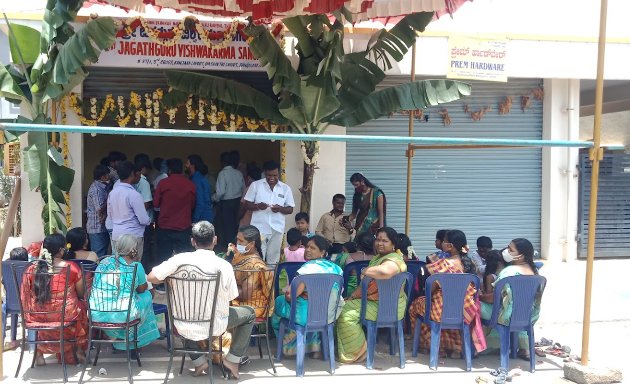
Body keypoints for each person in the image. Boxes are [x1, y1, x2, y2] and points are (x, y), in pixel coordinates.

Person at [148, 221, 255, 379]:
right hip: (215, 325)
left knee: (186, 319)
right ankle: (232, 360)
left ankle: (199, 361)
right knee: (250, 313)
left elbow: (152, 278)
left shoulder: (178, 260)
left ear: (192, 241)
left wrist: (171, 278)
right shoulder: (223, 265)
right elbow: (232, 296)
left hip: (182, 324)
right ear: (215, 240)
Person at [408, 229, 485, 357]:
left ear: (449, 246)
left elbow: (430, 290)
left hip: (441, 311)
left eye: (443, 241)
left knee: (416, 305)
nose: (442, 243)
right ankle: (455, 347)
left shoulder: (442, 265)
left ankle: (431, 346)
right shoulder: (469, 264)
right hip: (465, 311)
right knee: (445, 307)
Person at [336, 227, 407, 363]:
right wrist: (350, 297)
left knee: (343, 312)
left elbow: (386, 272)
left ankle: (358, 353)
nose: (380, 243)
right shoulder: (378, 258)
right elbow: (365, 286)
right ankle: (345, 348)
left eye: (385, 241)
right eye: (378, 240)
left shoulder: (395, 259)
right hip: (377, 303)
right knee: (339, 305)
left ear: (393, 245)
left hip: (388, 307)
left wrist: (365, 270)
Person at [20, 234, 88, 366]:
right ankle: (79, 350)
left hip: (38, 316)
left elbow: (26, 294)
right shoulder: (71, 267)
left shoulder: (32, 269)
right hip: (65, 315)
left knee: (60, 309)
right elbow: (81, 293)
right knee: (82, 307)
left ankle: (39, 354)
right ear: (61, 250)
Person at [272, 235, 343, 357]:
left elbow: (291, 295)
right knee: (310, 305)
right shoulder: (337, 269)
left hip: (305, 316)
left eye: (313, 248)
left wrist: (288, 294)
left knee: (279, 302)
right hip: (328, 315)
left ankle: (288, 347)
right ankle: (315, 347)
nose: (308, 250)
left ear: (322, 252)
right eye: (307, 247)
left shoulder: (306, 269)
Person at [90, 235, 160, 352]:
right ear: (134, 250)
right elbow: (142, 289)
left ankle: (117, 338)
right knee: (147, 296)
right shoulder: (136, 266)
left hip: (96, 313)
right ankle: (133, 343)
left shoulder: (104, 262)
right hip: (123, 315)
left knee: (128, 299)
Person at [480, 238, 541, 360]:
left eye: (510, 249)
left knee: (472, 305)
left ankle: (477, 346)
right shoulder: (535, 272)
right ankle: (523, 348)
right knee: (517, 308)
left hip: (505, 317)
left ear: (520, 256)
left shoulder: (508, 272)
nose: (506, 251)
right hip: (527, 316)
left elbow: (494, 298)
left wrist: (480, 297)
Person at [243, 160, 295, 265]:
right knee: (257, 257)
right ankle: (258, 280)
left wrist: (280, 208)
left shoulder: (285, 189)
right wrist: (257, 206)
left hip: (277, 228)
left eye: (275, 175)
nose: (272, 178)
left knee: (273, 259)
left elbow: (290, 209)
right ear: (264, 173)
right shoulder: (255, 185)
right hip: (259, 228)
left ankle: (271, 280)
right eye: (269, 175)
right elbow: (246, 204)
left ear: (279, 173)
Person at [154, 158, 196, 264]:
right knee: (184, 260)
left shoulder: (163, 183)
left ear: (169, 170)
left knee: (163, 259)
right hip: (183, 227)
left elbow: (156, 204)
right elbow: (193, 205)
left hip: (165, 227)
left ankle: (162, 280)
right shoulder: (190, 184)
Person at [107, 161, 150, 260]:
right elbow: (143, 219)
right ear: (132, 174)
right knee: (132, 267)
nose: (139, 175)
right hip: (132, 237)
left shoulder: (112, 193)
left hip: (116, 235)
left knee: (118, 266)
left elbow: (110, 216)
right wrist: (148, 221)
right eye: (138, 173)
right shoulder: (134, 195)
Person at [229, 225, 272, 318]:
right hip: (237, 301)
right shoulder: (240, 255)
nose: (237, 243)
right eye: (237, 240)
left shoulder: (254, 265)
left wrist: (225, 288)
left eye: (241, 241)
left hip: (251, 306)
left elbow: (245, 295)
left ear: (252, 244)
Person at [215, 151, 245, 248]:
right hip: (238, 203)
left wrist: (213, 198)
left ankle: (229, 250)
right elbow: (243, 189)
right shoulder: (239, 173)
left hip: (226, 204)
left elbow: (220, 192)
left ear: (222, 162)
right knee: (236, 226)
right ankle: (237, 248)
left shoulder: (222, 174)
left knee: (226, 228)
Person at [86, 164, 110, 258]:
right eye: (108, 175)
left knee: (103, 254)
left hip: (101, 227)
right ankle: (96, 273)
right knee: (98, 255)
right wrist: (110, 199)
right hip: (96, 228)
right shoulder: (96, 189)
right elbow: (99, 209)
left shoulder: (103, 187)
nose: (109, 177)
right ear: (103, 177)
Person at [186, 154, 214, 224]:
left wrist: (195, 220)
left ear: (192, 165)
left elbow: (200, 203)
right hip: (205, 216)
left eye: (187, 163)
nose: (185, 166)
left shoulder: (196, 180)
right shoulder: (200, 178)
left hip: (202, 217)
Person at [239, 162, 261, 227]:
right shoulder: (264, 189)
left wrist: (238, 217)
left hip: (247, 221)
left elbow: (242, 206)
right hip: (258, 222)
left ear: (248, 177)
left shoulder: (249, 188)